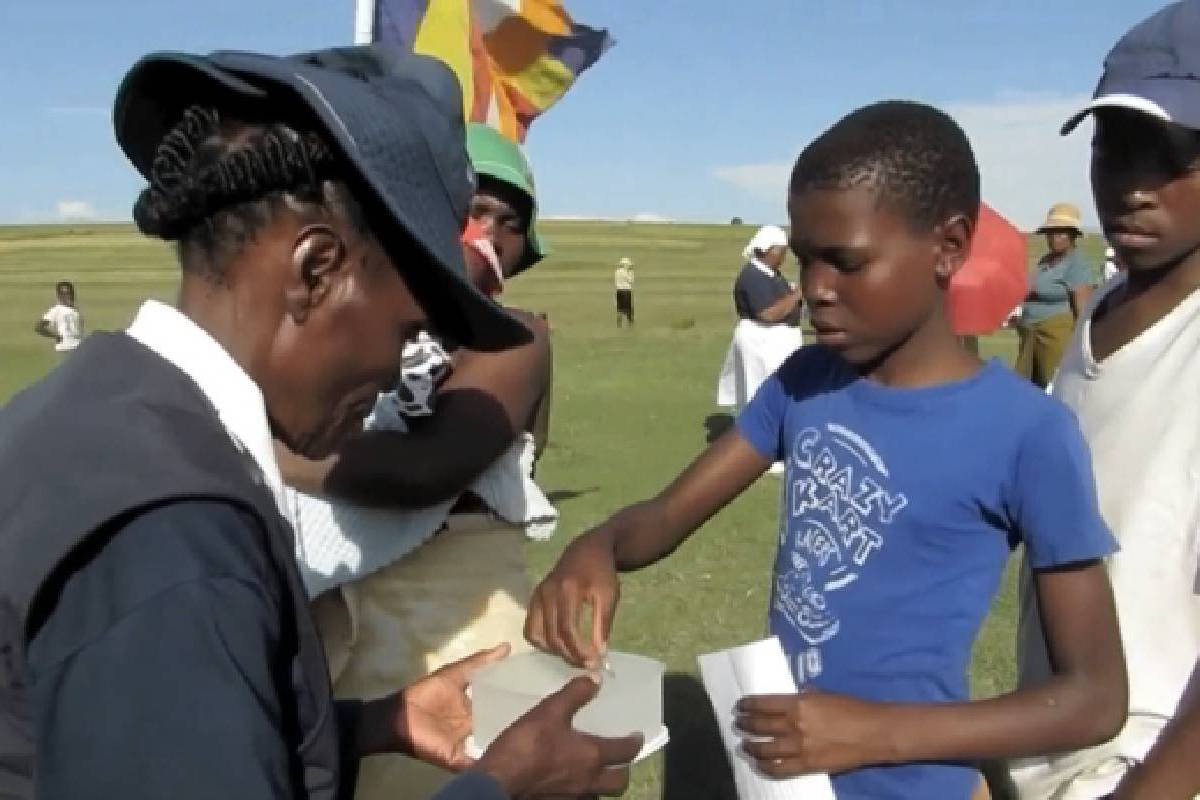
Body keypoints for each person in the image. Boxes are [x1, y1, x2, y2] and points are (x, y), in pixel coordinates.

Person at [0, 45, 641, 800]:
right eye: (408, 333)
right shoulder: (178, 538)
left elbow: (171, 738)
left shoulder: (91, 406)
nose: (391, 379)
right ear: (315, 271)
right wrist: (502, 787)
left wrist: (380, 723)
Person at [525, 101, 1127, 799]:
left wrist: (872, 733)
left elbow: (1094, 696)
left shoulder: (1028, 433)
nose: (815, 291)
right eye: (808, 260)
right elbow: (664, 517)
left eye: (846, 262)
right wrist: (596, 545)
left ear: (949, 246)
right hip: (785, 781)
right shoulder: (805, 384)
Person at [274, 123, 557, 799]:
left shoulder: (519, 338)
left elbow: (426, 470)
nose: (487, 231)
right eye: (469, 208)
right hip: (332, 629)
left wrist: (266, 449)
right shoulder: (346, 333)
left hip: (460, 626)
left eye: (507, 221)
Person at [1007, 3, 1200, 797]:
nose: (1132, 187)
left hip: (1150, 765)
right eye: (1112, 149)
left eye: (1173, 156)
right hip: (1049, 747)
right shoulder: (1101, 312)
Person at [716, 224, 804, 415]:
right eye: (781, 251)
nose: (783, 256)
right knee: (759, 390)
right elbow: (767, 314)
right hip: (761, 343)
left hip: (772, 343)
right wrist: (797, 295)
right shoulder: (752, 276)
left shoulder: (771, 275)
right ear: (769, 250)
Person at [1013, 202, 1095, 387]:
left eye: (1061, 232)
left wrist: (1081, 344)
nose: (1054, 237)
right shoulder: (1045, 261)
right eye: (1051, 232)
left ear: (1072, 235)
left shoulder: (1076, 264)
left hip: (1055, 336)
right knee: (1025, 387)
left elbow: (1083, 309)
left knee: (1054, 386)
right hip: (1030, 335)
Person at [33, 280, 82, 355]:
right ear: (58, 296)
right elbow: (39, 327)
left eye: (69, 293)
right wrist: (56, 336)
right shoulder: (56, 310)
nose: (67, 296)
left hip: (77, 347)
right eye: (63, 294)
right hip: (65, 348)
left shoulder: (75, 310)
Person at [614, 256, 635, 326]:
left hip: (619, 290)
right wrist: (631, 272)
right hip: (626, 291)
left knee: (619, 308)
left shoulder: (617, 271)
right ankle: (630, 323)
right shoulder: (627, 272)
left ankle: (619, 323)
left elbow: (615, 282)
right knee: (628, 308)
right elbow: (631, 281)